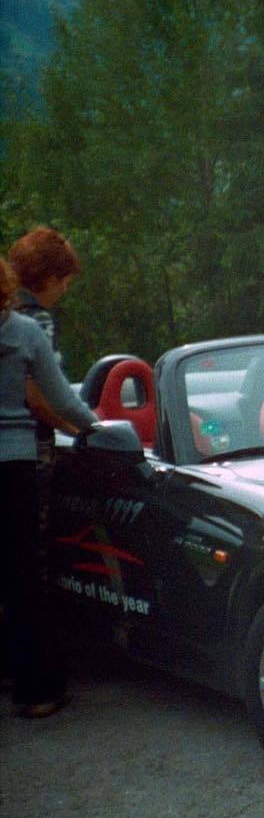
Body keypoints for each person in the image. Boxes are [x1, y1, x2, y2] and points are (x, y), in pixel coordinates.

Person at [2, 257, 97, 718]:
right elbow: (60, 398)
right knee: (24, 576)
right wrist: (97, 428)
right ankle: (36, 690)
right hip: (15, 463)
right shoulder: (25, 332)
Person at [9, 227, 82, 531]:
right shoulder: (37, 320)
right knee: (32, 537)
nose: (64, 290)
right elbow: (36, 395)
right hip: (28, 448)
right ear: (49, 279)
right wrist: (77, 430)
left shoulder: (7, 314)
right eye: (65, 282)